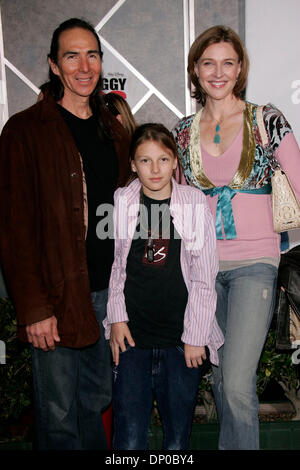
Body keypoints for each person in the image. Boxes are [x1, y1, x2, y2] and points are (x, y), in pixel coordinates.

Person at [0, 18, 130, 450]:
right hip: (54, 298)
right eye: (71, 55)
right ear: (54, 65)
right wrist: (34, 307)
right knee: (57, 416)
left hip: (105, 294)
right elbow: (14, 227)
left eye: (92, 54)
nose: (84, 65)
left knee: (95, 402)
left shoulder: (113, 131)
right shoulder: (24, 130)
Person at [173, 25, 300, 450]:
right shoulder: (183, 130)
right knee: (222, 378)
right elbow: (172, 201)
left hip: (255, 264)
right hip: (203, 269)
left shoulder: (267, 119)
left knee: (238, 383)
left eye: (228, 62)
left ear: (240, 68)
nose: (218, 71)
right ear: (195, 69)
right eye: (208, 62)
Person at [103, 123, 224, 450]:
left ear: (175, 162)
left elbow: (204, 274)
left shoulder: (193, 203)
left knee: (177, 440)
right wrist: (116, 318)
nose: (154, 169)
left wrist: (196, 336)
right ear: (132, 164)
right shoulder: (123, 201)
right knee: (128, 439)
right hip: (131, 341)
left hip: (180, 342)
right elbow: (117, 266)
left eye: (163, 160)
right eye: (144, 161)